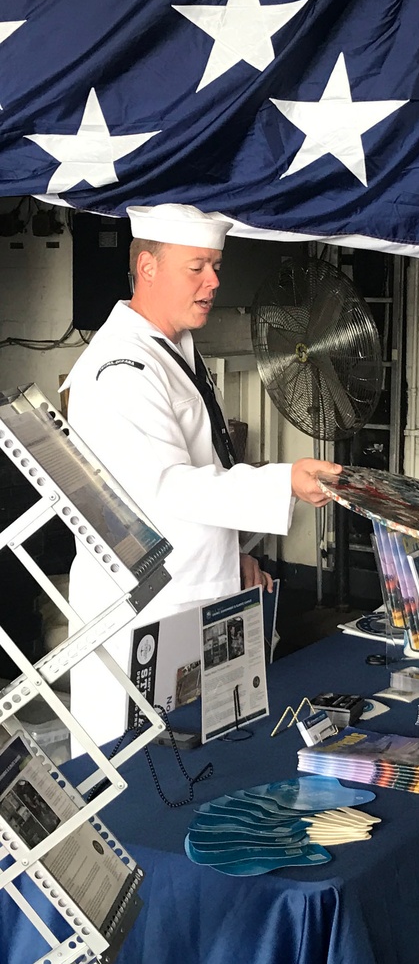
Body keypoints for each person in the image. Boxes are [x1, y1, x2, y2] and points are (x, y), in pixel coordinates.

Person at [63, 203, 341, 750]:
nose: (213, 282)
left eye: (215, 266)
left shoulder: (174, 351)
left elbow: (201, 466)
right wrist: (281, 480)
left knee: (197, 764)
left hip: (192, 592)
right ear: (148, 267)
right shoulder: (123, 369)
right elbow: (166, 488)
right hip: (146, 613)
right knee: (140, 777)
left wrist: (229, 552)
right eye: (197, 267)